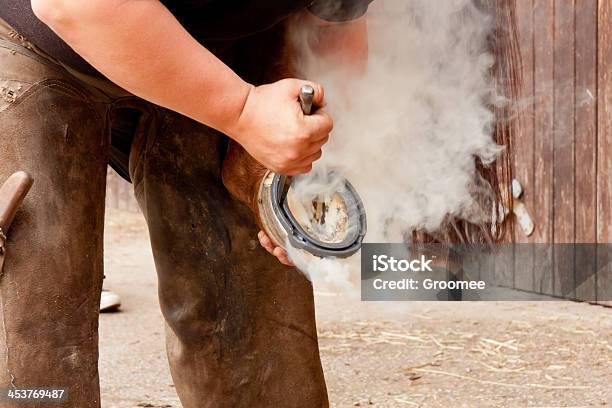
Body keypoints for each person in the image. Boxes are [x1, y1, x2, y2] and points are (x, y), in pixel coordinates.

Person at [0, 0, 371, 406]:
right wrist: (242, 111)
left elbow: (332, 27)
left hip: (221, 57)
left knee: (255, 340)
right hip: (38, 41)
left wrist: (302, 165)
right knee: (32, 346)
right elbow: (75, 5)